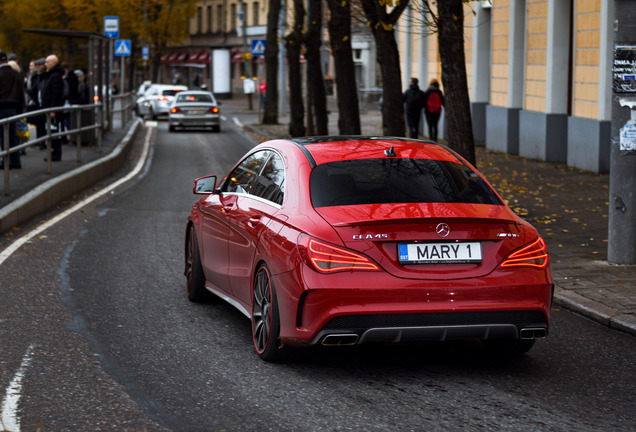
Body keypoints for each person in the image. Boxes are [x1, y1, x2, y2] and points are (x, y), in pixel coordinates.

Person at [0, 51, 26, 169]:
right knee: (13, 135)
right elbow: (21, 94)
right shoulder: (16, 74)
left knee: (3, 136)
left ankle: (6, 161)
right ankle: (16, 161)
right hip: (14, 108)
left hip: (2, 108)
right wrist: (21, 111)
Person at [40, 54, 66, 162]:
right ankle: (55, 152)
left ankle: (56, 153)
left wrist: (53, 109)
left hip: (53, 110)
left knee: (55, 131)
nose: (45, 64)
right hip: (52, 108)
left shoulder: (54, 76)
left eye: (47, 62)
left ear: (53, 63)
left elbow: (56, 94)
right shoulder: (54, 75)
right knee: (53, 131)